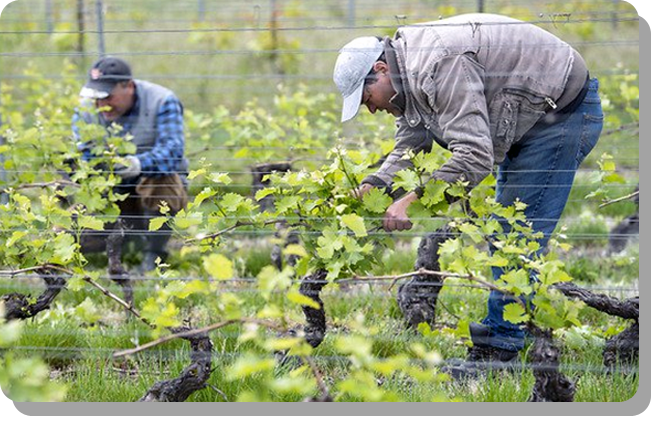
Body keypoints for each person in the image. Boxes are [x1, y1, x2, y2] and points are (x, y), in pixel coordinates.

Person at [333, 14, 603, 374]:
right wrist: (379, 183)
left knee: (516, 233)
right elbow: (413, 143)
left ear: (381, 69)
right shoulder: (405, 74)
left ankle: (502, 348)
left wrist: (410, 201)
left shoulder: (438, 65)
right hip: (530, 116)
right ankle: (511, 330)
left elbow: (474, 156)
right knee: (508, 228)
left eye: (367, 97)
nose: (371, 108)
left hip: (561, 116)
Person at [72, 56, 189, 272]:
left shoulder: (162, 100)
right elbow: (82, 152)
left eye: (108, 96)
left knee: (162, 180)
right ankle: (118, 243)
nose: (102, 105)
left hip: (149, 189)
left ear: (128, 86)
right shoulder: (85, 110)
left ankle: (154, 254)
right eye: (97, 97)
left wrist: (137, 164)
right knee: (68, 227)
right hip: (111, 192)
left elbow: (173, 152)